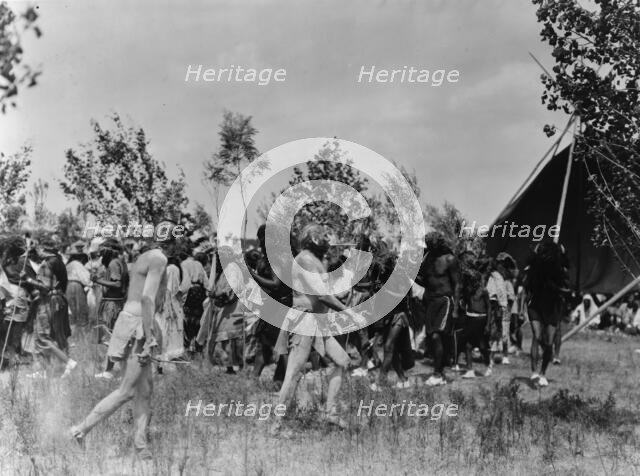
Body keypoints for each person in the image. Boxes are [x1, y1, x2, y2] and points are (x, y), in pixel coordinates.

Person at [70, 221, 171, 460]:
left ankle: (140, 446)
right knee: (127, 390)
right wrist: (148, 337)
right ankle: (80, 430)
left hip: (130, 318)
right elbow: (147, 298)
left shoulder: (145, 256)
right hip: (138, 322)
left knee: (144, 391)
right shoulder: (159, 259)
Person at [270, 224, 366, 436]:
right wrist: (349, 312)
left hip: (318, 321)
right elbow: (322, 295)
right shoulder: (304, 259)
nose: (328, 239)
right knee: (293, 373)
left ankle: (330, 412)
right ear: (312, 238)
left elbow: (326, 293)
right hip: (304, 319)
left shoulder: (316, 261)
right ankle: (276, 426)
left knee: (342, 361)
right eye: (323, 235)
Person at [24, 238, 76, 378]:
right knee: (57, 334)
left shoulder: (47, 263)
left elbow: (46, 287)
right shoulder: (58, 262)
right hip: (58, 299)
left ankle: (68, 362)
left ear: (44, 249)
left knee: (42, 336)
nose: (37, 252)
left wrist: (28, 280)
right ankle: (48, 370)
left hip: (49, 301)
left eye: (39, 249)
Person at [247, 224, 292, 381]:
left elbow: (275, 284)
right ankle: (275, 379)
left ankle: (282, 380)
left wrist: (252, 275)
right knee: (267, 345)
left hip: (279, 308)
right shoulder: (273, 257)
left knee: (276, 346)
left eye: (262, 240)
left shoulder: (276, 258)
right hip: (274, 307)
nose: (260, 245)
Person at [523, 241, 570, 387]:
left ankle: (543, 373)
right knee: (536, 336)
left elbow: (566, 288)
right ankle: (534, 372)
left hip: (553, 307)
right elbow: (527, 286)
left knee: (549, 342)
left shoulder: (561, 271)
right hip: (536, 306)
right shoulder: (533, 270)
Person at [419, 232, 460, 386]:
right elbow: (423, 279)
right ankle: (441, 373)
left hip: (445, 301)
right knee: (432, 337)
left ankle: (437, 374)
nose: (428, 246)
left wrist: (455, 309)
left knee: (437, 336)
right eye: (427, 244)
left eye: (431, 244)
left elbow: (457, 284)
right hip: (430, 301)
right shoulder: (427, 259)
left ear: (439, 244)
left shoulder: (450, 259)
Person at [94, 238, 129, 379]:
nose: (101, 254)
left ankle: (109, 371)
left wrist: (98, 280)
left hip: (112, 304)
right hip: (115, 302)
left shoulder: (114, 263)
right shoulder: (119, 262)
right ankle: (118, 369)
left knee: (109, 337)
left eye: (102, 250)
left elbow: (117, 284)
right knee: (115, 337)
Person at [457, 265, 492, 378]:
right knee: (467, 345)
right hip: (469, 319)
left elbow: (489, 307)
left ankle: (488, 364)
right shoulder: (467, 291)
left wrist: (487, 324)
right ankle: (470, 369)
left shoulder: (483, 291)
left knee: (482, 346)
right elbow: (465, 303)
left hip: (481, 319)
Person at [486, 253, 516, 365]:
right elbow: (491, 294)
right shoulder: (494, 277)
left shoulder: (505, 281)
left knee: (504, 335)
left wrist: (505, 304)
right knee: (494, 333)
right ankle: (491, 357)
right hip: (496, 308)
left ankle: (504, 355)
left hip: (504, 310)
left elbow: (511, 297)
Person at [156, 254, 185, 362]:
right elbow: (169, 289)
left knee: (166, 329)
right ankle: (167, 356)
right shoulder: (173, 269)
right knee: (168, 329)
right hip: (169, 303)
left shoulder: (170, 269)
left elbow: (169, 289)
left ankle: (166, 356)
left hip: (167, 303)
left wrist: (168, 306)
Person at [180, 247, 208, 354]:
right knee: (197, 320)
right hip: (199, 294)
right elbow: (207, 284)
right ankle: (194, 345)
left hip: (188, 294)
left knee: (186, 319)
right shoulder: (200, 266)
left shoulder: (183, 264)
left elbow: (183, 282)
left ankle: (187, 345)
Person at [65, 241, 91, 340]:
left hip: (67, 287)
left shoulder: (68, 265)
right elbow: (86, 279)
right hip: (76, 286)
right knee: (81, 310)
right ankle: (82, 337)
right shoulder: (77, 264)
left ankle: (73, 337)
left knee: (71, 312)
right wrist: (89, 284)